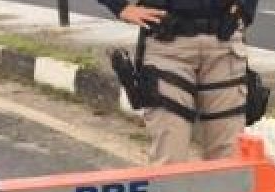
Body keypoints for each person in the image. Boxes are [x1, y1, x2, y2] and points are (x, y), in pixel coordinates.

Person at [101, 0, 257, 164]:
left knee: (229, 162)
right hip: (168, 48)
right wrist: (120, 7)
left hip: (224, 45)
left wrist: (245, 9)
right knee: (170, 158)